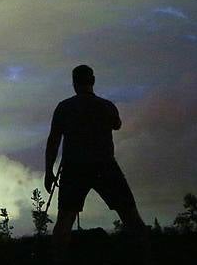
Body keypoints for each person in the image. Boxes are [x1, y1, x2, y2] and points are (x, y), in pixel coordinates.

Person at [45, 65, 146, 249]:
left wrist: (48, 171)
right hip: (105, 165)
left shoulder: (64, 107)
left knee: (64, 221)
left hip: (74, 167)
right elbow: (117, 124)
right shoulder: (106, 106)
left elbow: (53, 140)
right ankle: (149, 260)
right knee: (130, 216)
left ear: (74, 83)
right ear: (92, 81)